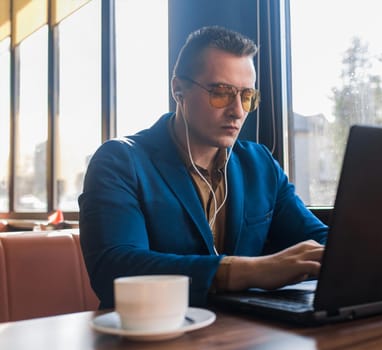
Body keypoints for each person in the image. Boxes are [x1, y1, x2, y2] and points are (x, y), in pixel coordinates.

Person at [79, 26, 328, 308]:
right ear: (178, 90)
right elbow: (114, 269)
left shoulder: (260, 164)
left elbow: (318, 238)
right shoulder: (119, 160)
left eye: (247, 96)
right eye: (221, 93)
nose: (237, 111)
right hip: (150, 333)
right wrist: (251, 270)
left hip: (242, 332)